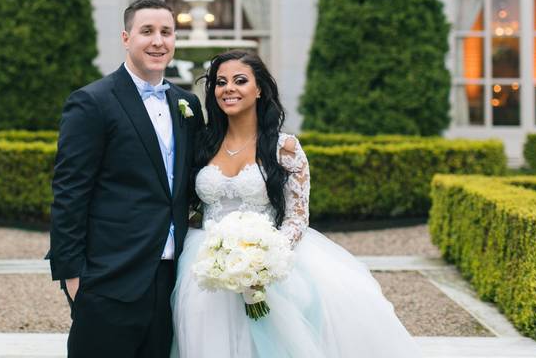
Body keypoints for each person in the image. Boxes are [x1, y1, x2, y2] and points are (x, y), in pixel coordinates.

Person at [172, 50, 421, 357]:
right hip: (205, 263)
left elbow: (296, 217)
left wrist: (262, 260)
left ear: (259, 88)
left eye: (240, 80)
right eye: (221, 82)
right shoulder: (202, 144)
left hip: (270, 260)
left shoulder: (284, 147)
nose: (229, 89)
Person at [48, 0, 205, 358]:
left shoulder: (188, 105)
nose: (157, 41)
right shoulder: (91, 102)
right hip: (109, 277)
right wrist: (72, 276)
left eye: (166, 32)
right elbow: (69, 193)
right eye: (146, 31)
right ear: (125, 37)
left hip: (172, 278)